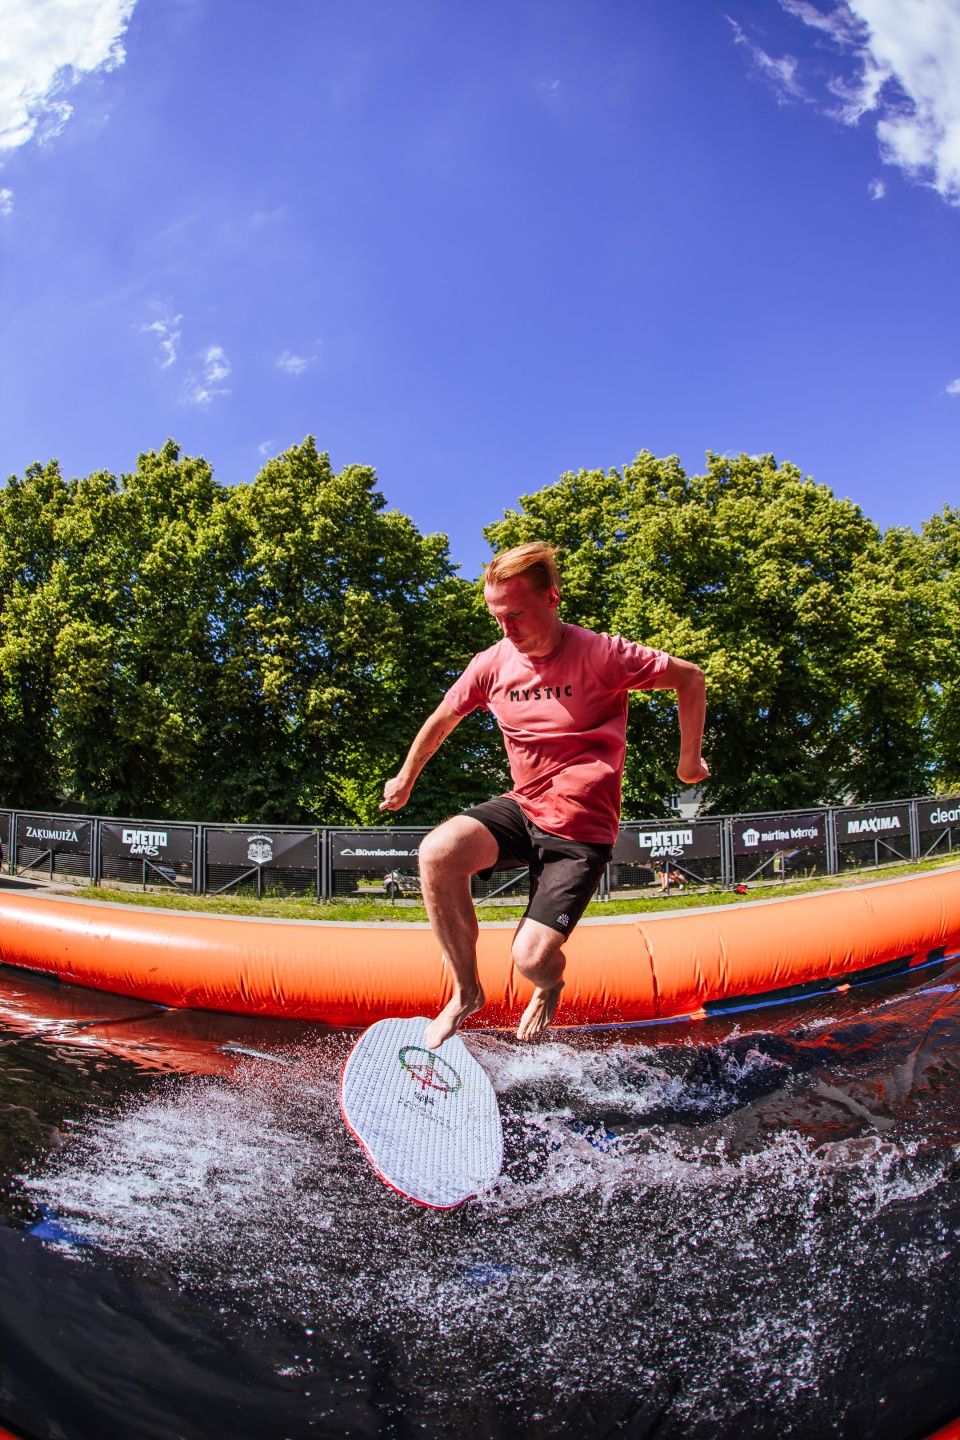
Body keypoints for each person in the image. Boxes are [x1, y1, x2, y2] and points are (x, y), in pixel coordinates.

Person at [379, 541, 708, 1048]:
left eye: (515, 614)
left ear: (552, 598)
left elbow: (690, 677)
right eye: (496, 617)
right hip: (524, 806)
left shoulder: (602, 654)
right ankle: (466, 992)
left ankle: (550, 984)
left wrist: (689, 762)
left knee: (531, 959)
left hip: (581, 831)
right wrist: (406, 778)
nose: (506, 629)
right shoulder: (491, 664)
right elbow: (441, 721)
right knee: (437, 852)